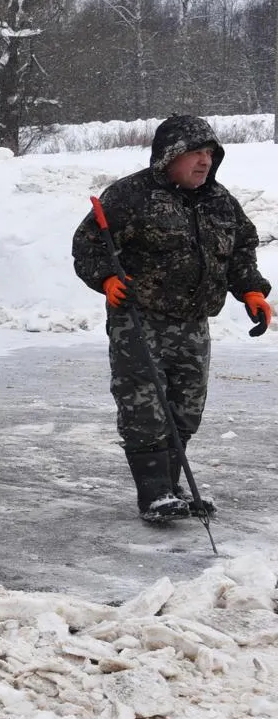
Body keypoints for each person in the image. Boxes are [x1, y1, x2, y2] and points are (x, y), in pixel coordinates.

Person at [70, 114, 271, 524]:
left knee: (185, 409)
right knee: (145, 408)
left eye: (209, 153)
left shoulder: (220, 201)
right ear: (169, 156)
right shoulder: (130, 196)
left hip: (193, 322)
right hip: (139, 319)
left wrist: (251, 290)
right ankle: (154, 493)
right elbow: (89, 244)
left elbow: (240, 248)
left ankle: (172, 486)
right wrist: (106, 278)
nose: (204, 161)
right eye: (195, 153)